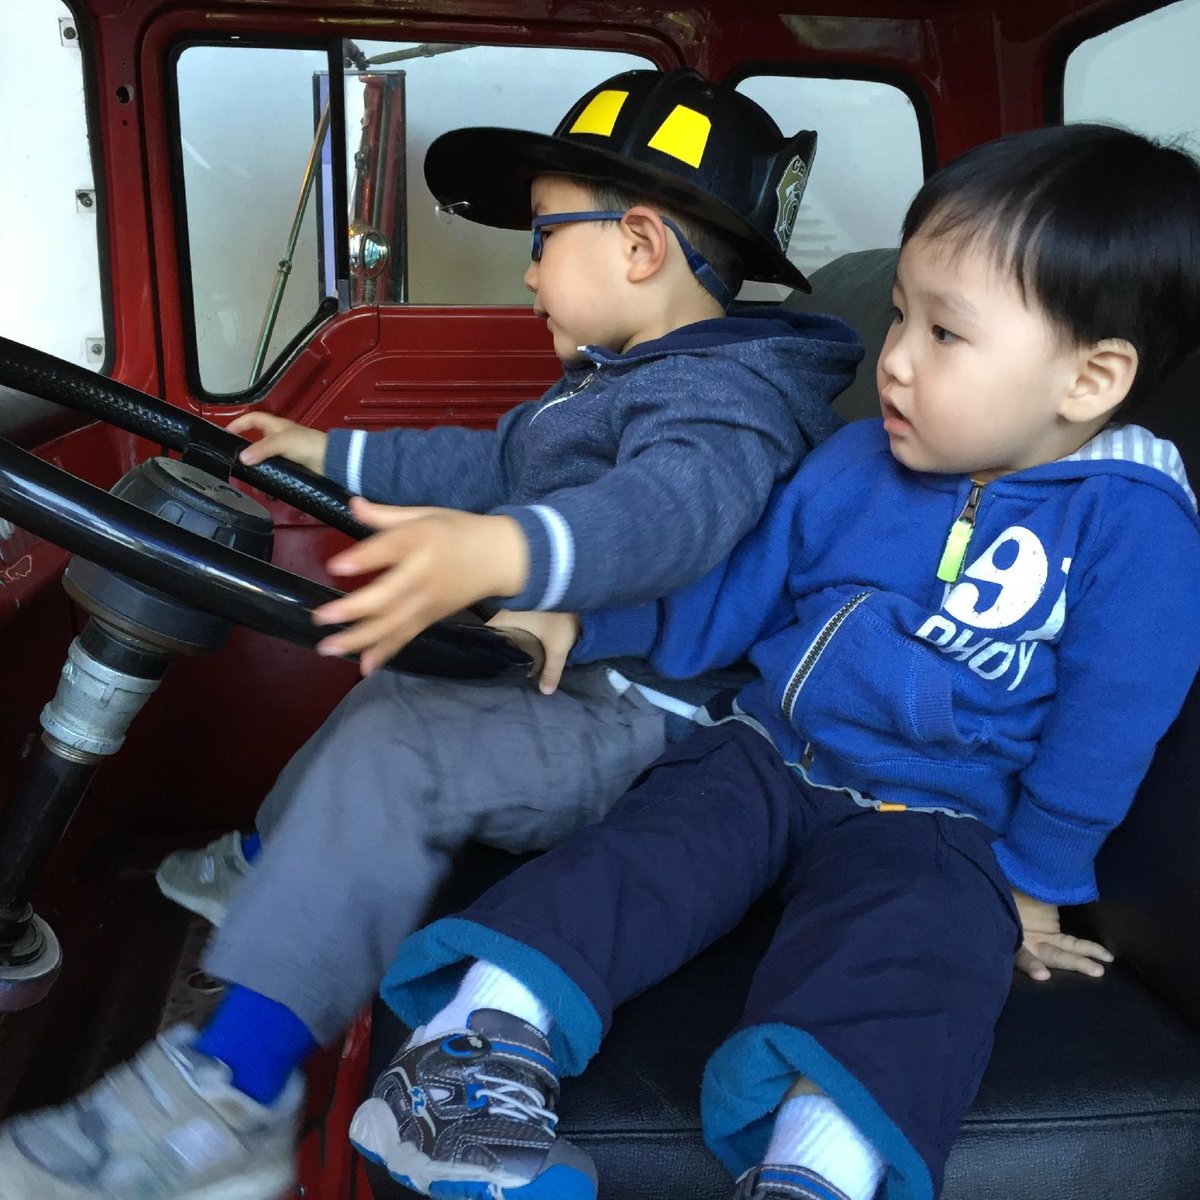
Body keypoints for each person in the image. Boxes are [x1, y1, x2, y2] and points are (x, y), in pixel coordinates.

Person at [0, 68, 861, 1200]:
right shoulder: (610, 381)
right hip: (589, 682)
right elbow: (480, 462)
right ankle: (267, 870)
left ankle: (233, 1098)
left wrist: (508, 557)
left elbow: (672, 513)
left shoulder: (727, 398)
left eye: (548, 235)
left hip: (657, 730)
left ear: (641, 245)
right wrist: (322, 452)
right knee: (385, 700)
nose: (528, 267)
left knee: (400, 746)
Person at [347, 123, 1200, 1200]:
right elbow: (731, 596)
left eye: (945, 334)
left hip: (935, 817)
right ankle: (466, 1068)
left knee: (923, 953)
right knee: (640, 853)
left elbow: (1110, 719)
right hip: (768, 750)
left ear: (1089, 380)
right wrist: (586, 624)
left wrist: (1036, 883)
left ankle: (816, 1172)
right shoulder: (853, 462)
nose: (891, 357)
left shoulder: (1136, 528)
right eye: (899, 312)